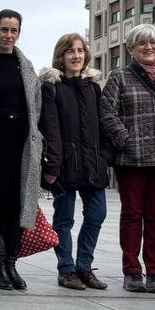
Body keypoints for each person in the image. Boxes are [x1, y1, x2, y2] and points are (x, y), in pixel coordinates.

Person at [100, 23, 155, 294]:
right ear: (131, 49)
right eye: (142, 44)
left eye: (153, 43)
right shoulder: (119, 77)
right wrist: (125, 140)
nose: (149, 47)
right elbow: (107, 114)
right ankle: (132, 271)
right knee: (132, 215)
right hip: (132, 160)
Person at [39, 33, 109, 291]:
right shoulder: (51, 88)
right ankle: (66, 270)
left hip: (93, 164)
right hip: (64, 165)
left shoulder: (93, 88)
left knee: (97, 215)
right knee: (64, 220)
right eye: (71, 51)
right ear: (61, 56)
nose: (76, 55)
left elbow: (103, 125)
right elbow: (50, 129)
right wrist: (52, 166)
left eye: (80, 51)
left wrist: (105, 157)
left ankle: (84, 267)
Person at [0, 9, 41, 291]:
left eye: (14, 30)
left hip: (20, 146)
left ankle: (12, 264)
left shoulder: (27, 68)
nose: (8, 35)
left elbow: (36, 109)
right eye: (4, 29)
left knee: (17, 205)